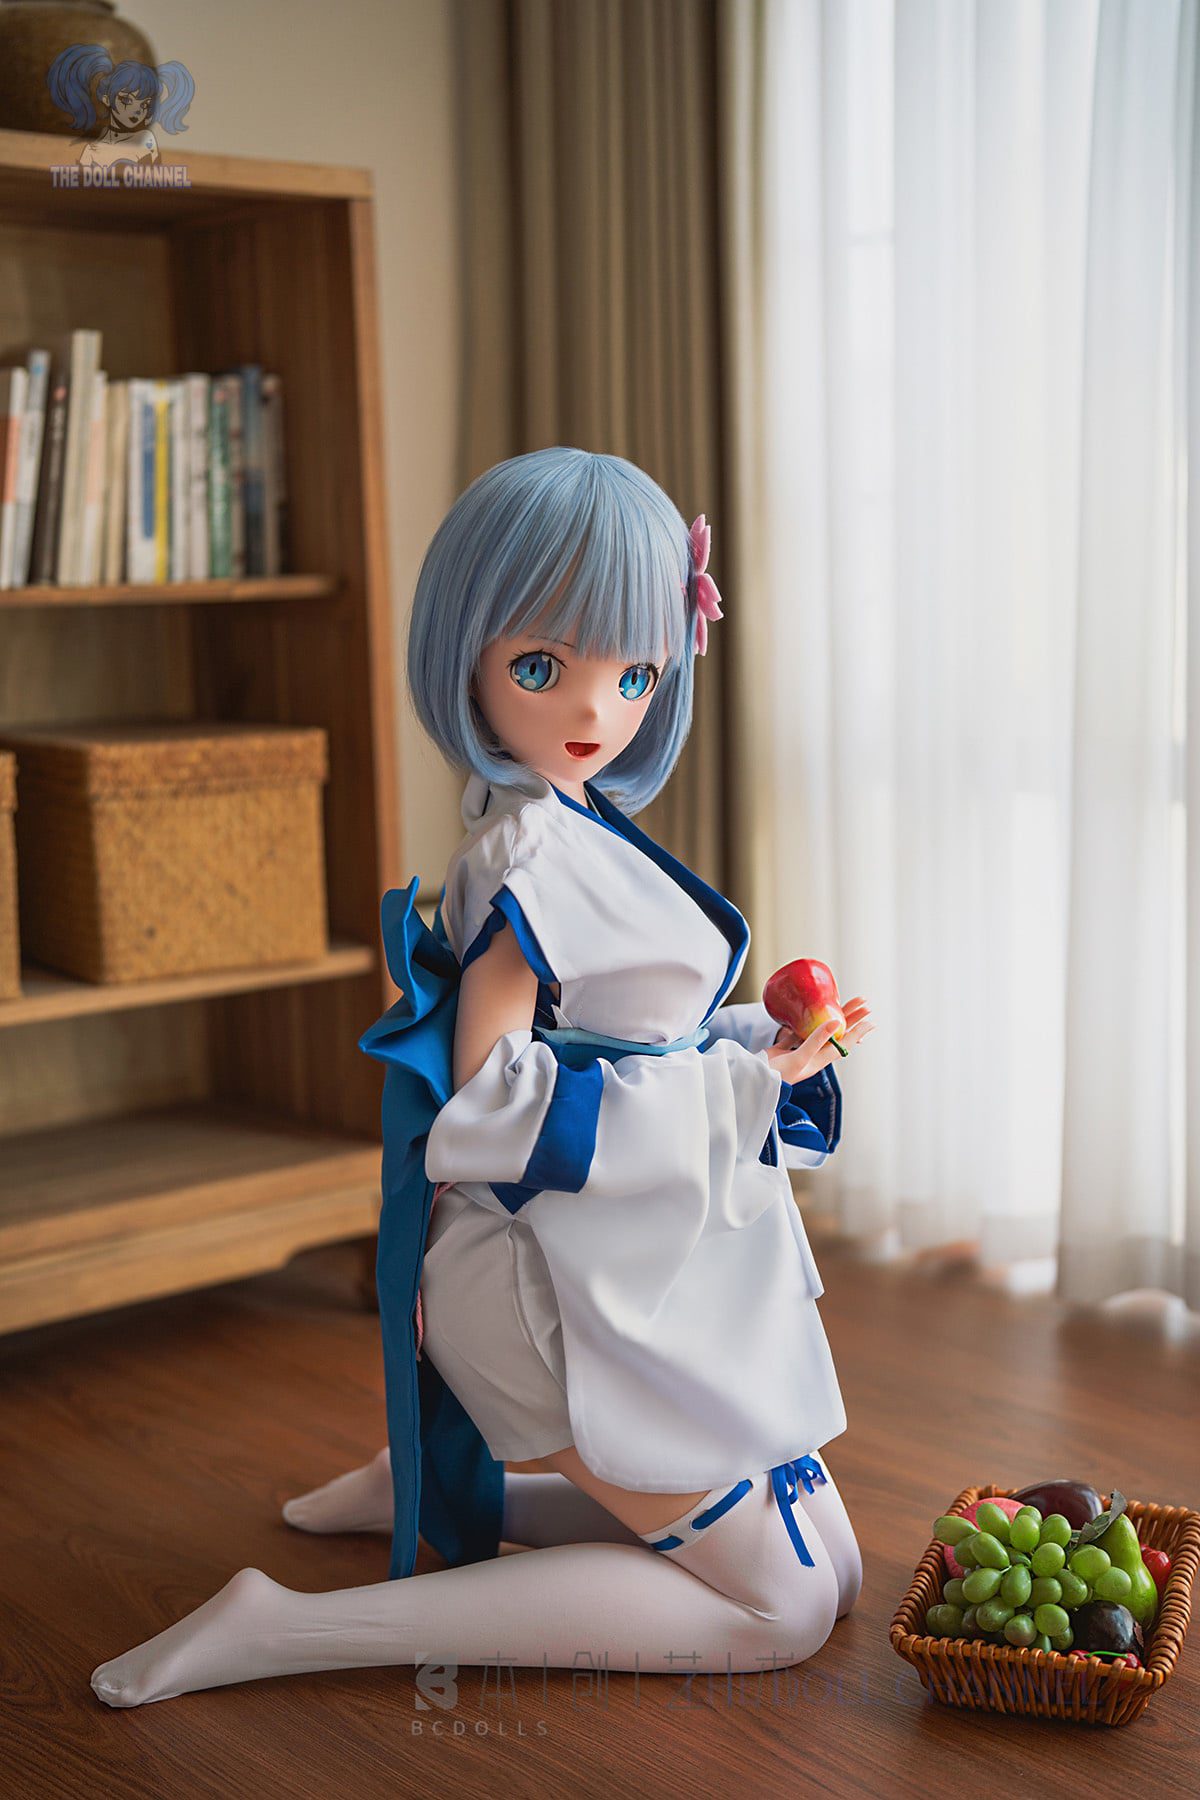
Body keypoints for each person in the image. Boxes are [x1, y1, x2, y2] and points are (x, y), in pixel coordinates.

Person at [90, 448, 874, 1708]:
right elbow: (495, 1108)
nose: (595, 707)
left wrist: (755, 1053)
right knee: (782, 1607)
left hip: (641, 1252)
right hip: (549, 1275)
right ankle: (282, 1627)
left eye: (633, 674)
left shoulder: (578, 821)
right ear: (469, 657)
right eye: (542, 668)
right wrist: (737, 1092)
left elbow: (622, 1038)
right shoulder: (525, 863)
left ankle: (446, 1491)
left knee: (838, 1574)